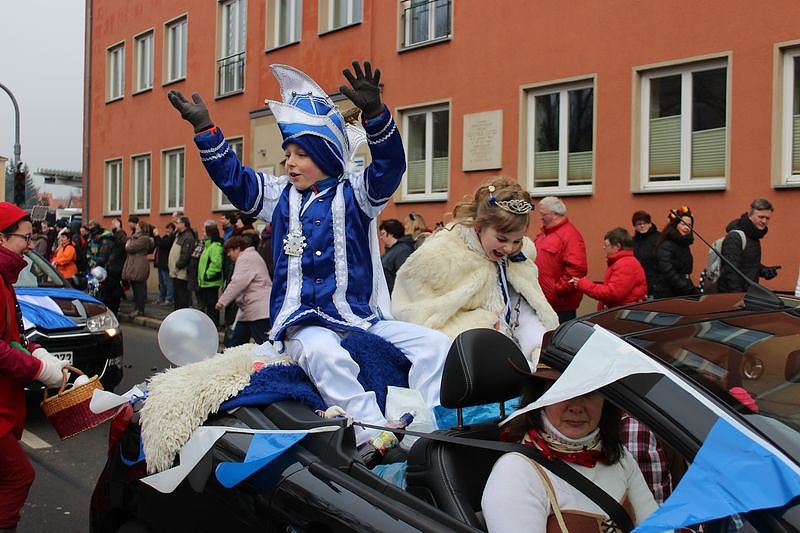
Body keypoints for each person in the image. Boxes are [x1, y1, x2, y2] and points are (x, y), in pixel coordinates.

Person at [167, 60, 450, 462]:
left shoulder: (357, 195)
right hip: (301, 323)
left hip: (359, 318)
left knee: (436, 344)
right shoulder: (278, 195)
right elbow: (236, 180)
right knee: (324, 355)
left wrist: (376, 116)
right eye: (288, 153)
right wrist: (206, 132)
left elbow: (390, 168)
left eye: (301, 153)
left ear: (327, 155)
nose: (290, 162)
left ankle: (428, 428)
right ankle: (374, 434)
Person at [392, 177, 558, 366]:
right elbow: (411, 315)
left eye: (517, 240)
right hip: (465, 368)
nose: (510, 248)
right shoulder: (440, 256)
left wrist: (538, 349)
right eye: (502, 239)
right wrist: (480, 324)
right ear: (479, 227)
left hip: (511, 364)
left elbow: (521, 311)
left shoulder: (514, 259)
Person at [481, 365, 658, 531]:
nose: (576, 407)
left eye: (589, 392)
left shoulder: (617, 455)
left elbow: (657, 527)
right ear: (541, 397)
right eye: (564, 391)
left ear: (606, 401)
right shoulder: (515, 472)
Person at [0, 202, 70, 531]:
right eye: (24, 238)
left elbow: (11, 335)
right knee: (18, 475)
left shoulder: (5, 277)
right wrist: (36, 369)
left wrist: (37, 350)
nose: (30, 246)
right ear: (1, 239)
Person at [534, 196, 587, 323]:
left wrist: (556, 291)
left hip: (560, 307)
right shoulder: (544, 235)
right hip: (543, 302)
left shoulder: (570, 235)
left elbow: (577, 269)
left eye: (543, 214)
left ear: (555, 214)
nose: (540, 218)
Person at [571, 227, 647, 310]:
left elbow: (613, 294)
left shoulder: (626, 264)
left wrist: (584, 285)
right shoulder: (622, 262)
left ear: (617, 246)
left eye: (607, 245)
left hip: (622, 313)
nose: (604, 248)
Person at [216, 235, 272, 347]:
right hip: (253, 308)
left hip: (257, 308)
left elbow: (238, 282)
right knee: (238, 341)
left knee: (264, 344)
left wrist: (222, 301)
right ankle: (232, 360)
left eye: (230, 251)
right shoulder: (252, 256)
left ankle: (273, 362)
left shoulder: (245, 258)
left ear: (237, 248)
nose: (228, 254)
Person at [717, 198, 780, 293]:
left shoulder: (753, 235)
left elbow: (747, 264)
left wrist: (764, 270)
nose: (764, 221)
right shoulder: (735, 236)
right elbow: (730, 272)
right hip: (733, 298)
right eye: (761, 217)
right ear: (750, 215)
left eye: (767, 218)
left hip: (748, 294)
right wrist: (738, 298)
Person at [652, 206, 699, 299]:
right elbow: (669, 272)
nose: (687, 227)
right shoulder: (667, 245)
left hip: (681, 291)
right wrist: (689, 288)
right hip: (668, 294)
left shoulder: (684, 244)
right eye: (683, 224)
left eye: (689, 225)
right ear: (675, 225)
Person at [122, 220, 154, 318]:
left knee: (139, 288)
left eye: (138, 226)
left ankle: (140, 309)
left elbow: (130, 248)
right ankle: (137, 308)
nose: (136, 227)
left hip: (139, 264)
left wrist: (128, 243)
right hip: (134, 264)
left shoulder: (143, 238)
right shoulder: (136, 237)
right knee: (135, 288)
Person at [197, 220, 225, 326]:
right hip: (206, 282)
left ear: (209, 233)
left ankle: (213, 324)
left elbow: (216, 263)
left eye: (204, 232)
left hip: (211, 282)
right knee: (208, 305)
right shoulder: (208, 245)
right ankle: (209, 324)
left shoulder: (215, 246)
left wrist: (208, 275)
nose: (202, 234)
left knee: (212, 305)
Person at [378, 218, 414, 293]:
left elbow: (404, 277)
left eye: (383, 234)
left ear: (391, 233)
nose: (381, 237)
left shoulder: (403, 250)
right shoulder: (391, 250)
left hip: (396, 297)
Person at [169, 215, 196, 310]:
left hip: (181, 272)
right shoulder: (179, 235)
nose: (175, 224)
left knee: (181, 296)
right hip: (176, 272)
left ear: (184, 224)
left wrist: (177, 265)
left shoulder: (188, 237)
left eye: (177, 223)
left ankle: (181, 313)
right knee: (177, 295)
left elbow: (185, 255)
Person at [631, 210, 660, 297]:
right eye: (639, 224)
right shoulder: (632, 242)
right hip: (637, 286)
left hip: (655, 287)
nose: (642, 226)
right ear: (635, 226)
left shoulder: (659, 238)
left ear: (650, 223)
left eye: (645, 223)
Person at [153, 222, 176, 306]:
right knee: (161, 283)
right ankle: (161, 298)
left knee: (168, 282)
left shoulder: (171, 238)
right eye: (167, 228)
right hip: (160, 263)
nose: (167, 230)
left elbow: (162, 244)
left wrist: (156, 235)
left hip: (166, 264)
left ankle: (169, 299)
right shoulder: (166, 237)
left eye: (169, 228)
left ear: (173, 230)